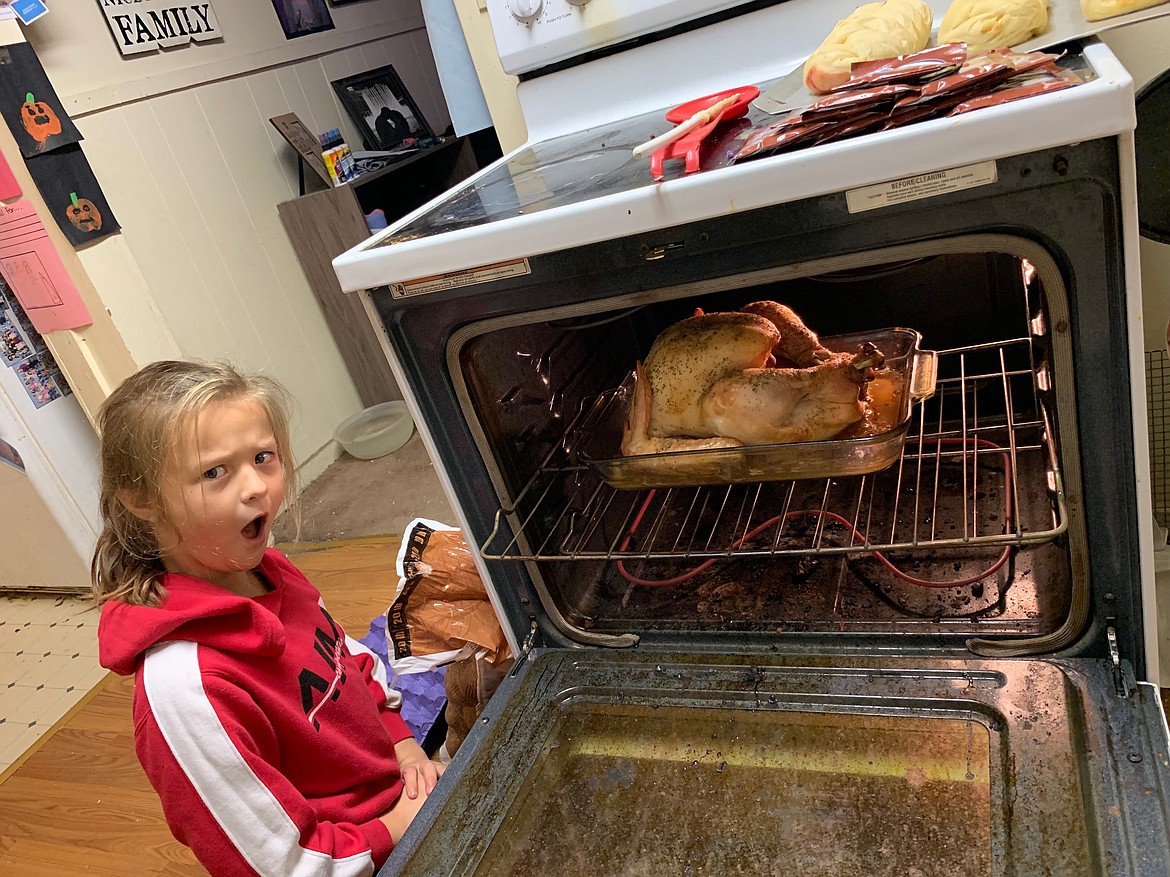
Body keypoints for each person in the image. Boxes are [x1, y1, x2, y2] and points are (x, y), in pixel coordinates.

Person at [92, 360, 443, 876]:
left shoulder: (269, 570)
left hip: (400, 791)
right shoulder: (185, 690)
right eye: (215, 472)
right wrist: (392, 831)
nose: (257, 486)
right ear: (142, 500)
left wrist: (403, 743)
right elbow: (274, 865)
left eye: (264, 457)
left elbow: (345, 661)